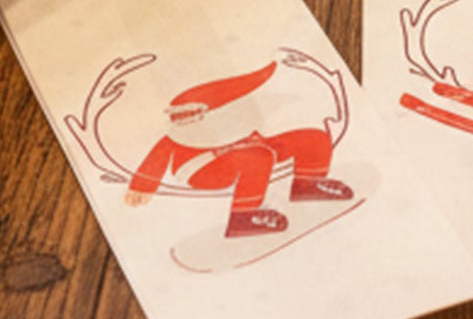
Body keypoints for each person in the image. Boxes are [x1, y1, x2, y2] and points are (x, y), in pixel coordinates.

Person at [124, 61, 350, 236]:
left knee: (313, 138)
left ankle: (307, 185)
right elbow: (162, 150)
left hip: (248, 146)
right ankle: (243, 218)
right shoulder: (187, 129)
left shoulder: (239, 115)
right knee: (258, 158)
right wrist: (143, 184)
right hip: (202, 168)